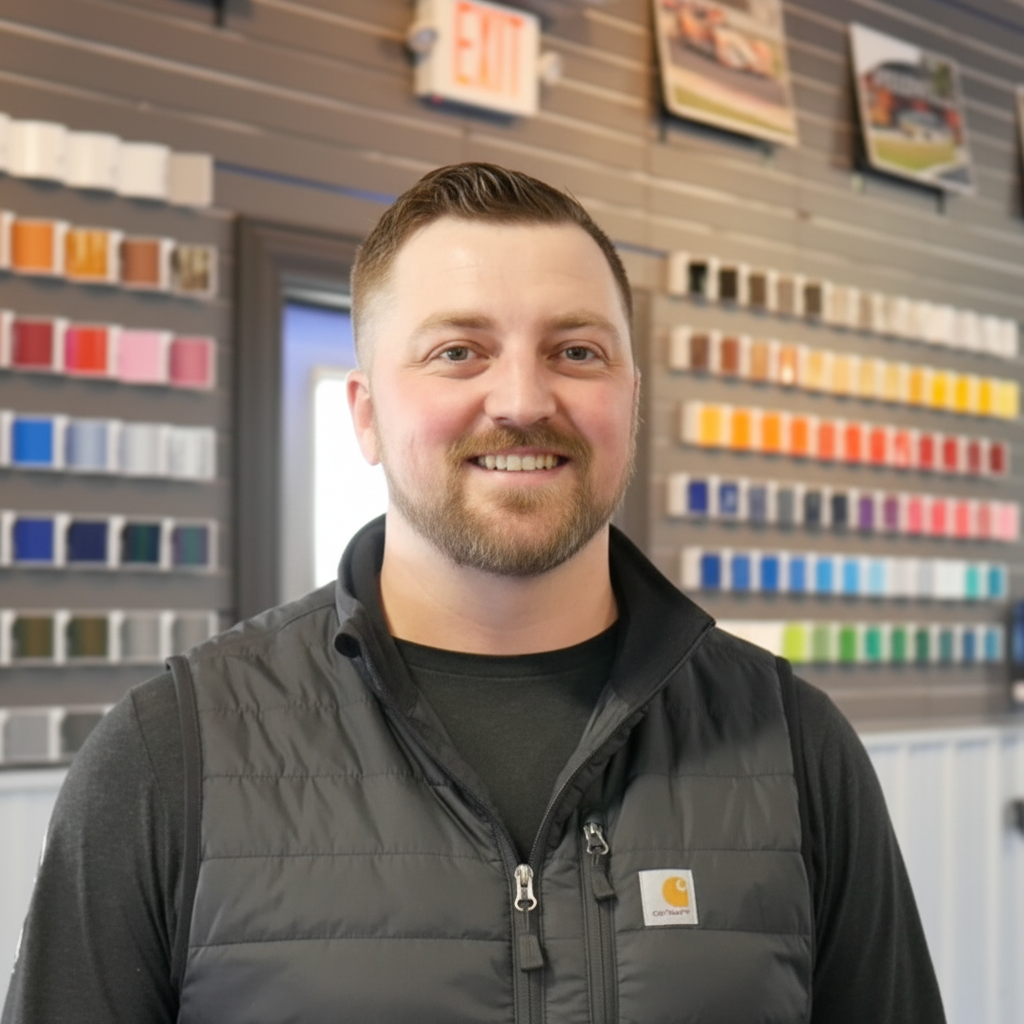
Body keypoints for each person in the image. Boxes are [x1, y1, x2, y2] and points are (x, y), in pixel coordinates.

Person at [2, 162, 945, 1024]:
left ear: (631, 397)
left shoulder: (792, 742)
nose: (523, 399)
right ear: (366, 415)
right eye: (459, 351)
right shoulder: (170, 754)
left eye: (577, 351)